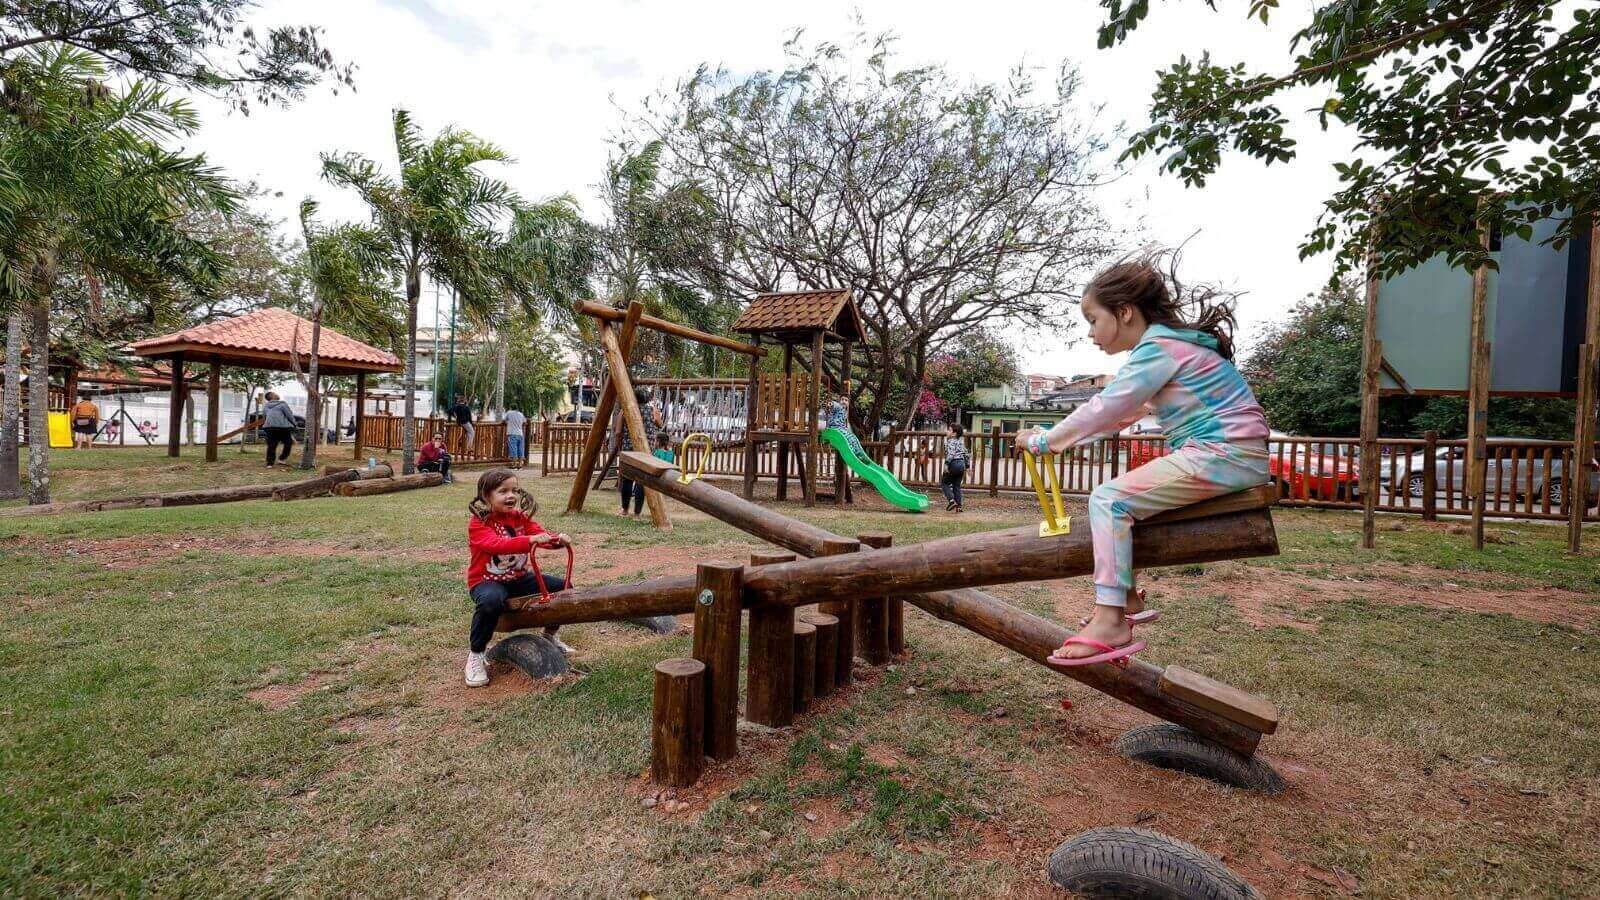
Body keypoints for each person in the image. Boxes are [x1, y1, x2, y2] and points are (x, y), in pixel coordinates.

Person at [1016, 251, 1268, 667]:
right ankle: (1126, 597)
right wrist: (1055, 440)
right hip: (1230, 453)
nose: (1090, 333)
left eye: (1093, 320)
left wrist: (1045, 441)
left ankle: (1111, 620)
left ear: (1125, 312)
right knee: (1121, 500)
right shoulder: (1168, 349)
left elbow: (1106, 406)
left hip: (1225, 453)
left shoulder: (1159, 349)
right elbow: (1120, 416)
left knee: (1108, 499)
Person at [463, 469, 573, 686]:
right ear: (486, 496)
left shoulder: (519, 518)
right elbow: (496, 544)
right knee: (490, 601)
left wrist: (557, 540)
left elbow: (539, 534)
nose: (511, 495)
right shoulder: (479, 523)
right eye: (503, 491)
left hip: (518, 578)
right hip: (486, 580)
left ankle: (550, 635)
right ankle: (476, 654)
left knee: (564, 587)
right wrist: (530, 540)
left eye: (514, 490)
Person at [616, 389, 662, 516]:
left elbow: (618, 432)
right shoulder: (652, 411)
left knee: (627, 479)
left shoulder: (625, 411)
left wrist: (620, 447)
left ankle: (625, 510)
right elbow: (659, 424)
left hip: (629, 449)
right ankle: (637, 513)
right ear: (647, 399)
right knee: (641, 481)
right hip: (646, 450)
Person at [261, 392, 297, 467]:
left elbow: (264, 416)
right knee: (288, 442)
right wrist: (294, 424)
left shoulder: (266, 406)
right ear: (272, 396)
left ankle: (270, 463)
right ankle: (282, 459)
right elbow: (289, 415)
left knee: (271, 445)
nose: (277, 394)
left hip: (269, 428)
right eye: (275, 394)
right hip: (282, 427)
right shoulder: (282, 404)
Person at [940, 422, 969, 512]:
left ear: (954, 434)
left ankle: (951, 501)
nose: (947, 432)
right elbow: (966, 454)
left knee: (944, 483)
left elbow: (951, 453)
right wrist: (967, 466)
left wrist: (946, 464)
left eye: (949, 430)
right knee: (957, 486)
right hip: (961, 465)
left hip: (953, 464)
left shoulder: (951, 442)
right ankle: (959, 506)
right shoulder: (961, 442)